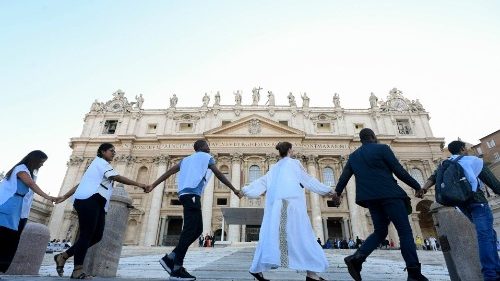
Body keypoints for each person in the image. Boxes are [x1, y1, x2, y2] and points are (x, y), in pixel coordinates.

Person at [332, 128, 428, 281]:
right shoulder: (382, 148)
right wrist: (417, 186)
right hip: (390, 194)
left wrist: (337, 194)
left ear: (361, 140)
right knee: (404, 232)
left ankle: (357, 258)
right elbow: (398, 170)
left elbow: (344, 177)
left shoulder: (354, 156)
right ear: (373, 137)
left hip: (370, 198)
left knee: (380, 231)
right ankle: (414, 272)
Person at [241, 141, 338, 281]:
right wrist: (329, 190)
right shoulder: (294, 164)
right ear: (290, 150)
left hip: (276, 208)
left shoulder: (274, 167)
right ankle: (311, 274)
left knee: (271, 238)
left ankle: (257, 269)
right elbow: (309, 180)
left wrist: (244, 191)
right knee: (303, 237)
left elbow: (261, 182)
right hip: (291, 205)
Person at [147, 139, 242, 281]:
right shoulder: (206, 157)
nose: (209, 147)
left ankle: (172, 257)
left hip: (185, 195)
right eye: (207, 145)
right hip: (192, 195)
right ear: (202, 147)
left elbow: (169, 172)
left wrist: (153, 184)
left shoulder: (186, 160)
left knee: (197, 230)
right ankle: (176, 269)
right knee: (190, 230)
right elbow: (219, 174)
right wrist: (234, 189)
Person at [52, 143, 148, 279]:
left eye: (114, 151)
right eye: (111, 151)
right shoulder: (101, 163)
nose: (113, 153)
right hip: (89, 199)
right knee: (86, 234)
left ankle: (63, 256)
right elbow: (116, 177)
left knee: (97, 236)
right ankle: (77, 270)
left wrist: (64, 196)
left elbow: (81, 184)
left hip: (98, 201)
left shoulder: (97, 166)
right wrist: (140, 184)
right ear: (102, 151)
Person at [421, 140, 500, 281]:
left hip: (462, 204)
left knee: (489, 234)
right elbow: (493, 183)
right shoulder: (472, 160)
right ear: (463, 148)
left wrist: (424, 189)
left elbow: (433, 177)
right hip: (477, 202)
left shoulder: (445, 163)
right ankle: (490, 274)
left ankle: (496, 268)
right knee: (485, 236)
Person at [0, 150, 58, 273]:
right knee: (6, 237)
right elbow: (30, 184)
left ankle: (2, 269)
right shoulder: (21, 169)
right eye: (41, 162)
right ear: (34, 160)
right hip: (9, 205)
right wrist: (48, 197)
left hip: (19, 208)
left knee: (12, 240)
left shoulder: (30, 173)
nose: (42, 165)